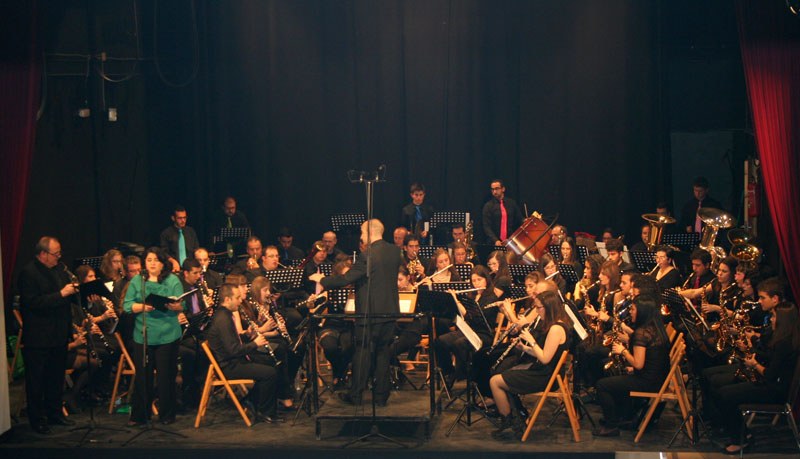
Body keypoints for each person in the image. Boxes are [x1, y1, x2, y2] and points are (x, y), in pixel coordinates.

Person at [309, 219, 403, 406]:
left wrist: (322, 280)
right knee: (383, 352)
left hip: (369, 313)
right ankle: (381, 396)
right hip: (390, 311)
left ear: (370, 232)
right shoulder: (395, 252)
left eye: (362, 232)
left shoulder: (366, 256)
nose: (360, 236)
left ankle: (356, 395)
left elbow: (346, 279)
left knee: (363, 353)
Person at [711, 304, 800, 454]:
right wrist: (752, 350)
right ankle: (742, 434)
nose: (771, 319)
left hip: (775, 391)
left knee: (725, 395)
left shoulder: (783, 343)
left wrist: (754, 364)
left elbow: (770, 375)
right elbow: (770, 359)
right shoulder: (784, 338)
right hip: (771, 386)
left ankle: (740, 440)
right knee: (723, 391)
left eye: (773, 316)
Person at [490, 289, 572, 440]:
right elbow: (544, 352)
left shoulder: (556, 329)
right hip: (544, 371)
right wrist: (525, 348)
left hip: (546, 376)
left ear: (548, 308)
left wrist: (531, 341)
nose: (537, 311)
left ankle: (509, 421)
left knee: (495, 381)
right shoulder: (554, 324)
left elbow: (545, 358)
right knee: (502, 375)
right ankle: (516, 419)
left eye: (539, 307)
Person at [17, 237, 78, 433]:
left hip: (58, 334)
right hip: (39, 336)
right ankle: (38, 419)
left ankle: (55, 414)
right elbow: (32, 303)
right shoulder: (29, 273)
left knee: (55, 377)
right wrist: (61, 294)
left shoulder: (59, 270)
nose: (59, 257)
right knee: (37, 381)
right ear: (43, 254)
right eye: (55, 254)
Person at [122, 247, 185, 426]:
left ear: (162, 263)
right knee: (143, 377)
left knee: (166, 377)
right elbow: (127, 306)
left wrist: (176, 306)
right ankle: (140, 415)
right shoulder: (138, 281)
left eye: (156, 260)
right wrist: (142, 306)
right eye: (149, 260)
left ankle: (167, 415)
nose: (152, 264)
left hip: (167, 334)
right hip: (144, 334)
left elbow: (183, 305)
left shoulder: (172, 280)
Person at [593, 294, 670, 436]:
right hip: (659, 378)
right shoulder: (656, 328)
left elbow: (638, 364)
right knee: (620, 375)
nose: (630, 312)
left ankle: (611, 425)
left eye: (633, 309)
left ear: (642, 311)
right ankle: (625, 416)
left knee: (602, 385)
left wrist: (623, 352)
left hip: (650, 382)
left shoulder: (642, 333)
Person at [206, 284, 282, 423]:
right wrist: (255, 344)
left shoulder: (226, 315)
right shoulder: (223, 319)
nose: (240, 301)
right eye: (237, 298)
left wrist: (248, 335)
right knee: (269, 373)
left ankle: (251, 400)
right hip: (229, 366)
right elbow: (233, 350)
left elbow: (234, 341)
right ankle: (264, 411)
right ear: (227, 299)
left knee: (272, 364)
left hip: (235, 360)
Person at [438, 266, 499, 388]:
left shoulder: (492, 297)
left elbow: (474, 316)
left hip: (484, 334)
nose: (476, 284)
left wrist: (456, 300)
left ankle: (468, 375)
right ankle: (450, 372)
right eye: (474, 281)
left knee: (459, 344)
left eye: (479, 280)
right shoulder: (472, 296)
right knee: (440, 341)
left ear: (486, 279)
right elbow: (463, 317)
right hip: (469, 331)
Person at [482, 179, 523, 246]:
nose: (494, 192)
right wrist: (495, 240)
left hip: (510, 241)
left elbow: (519, 220)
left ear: (503, 189)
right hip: (494, 242)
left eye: (497, 189)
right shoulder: (488, 206)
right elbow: (486, 226)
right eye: (492, 189)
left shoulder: (511, 203)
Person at [159, 205, 200, 272]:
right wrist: (172, 261)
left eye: (184, 218)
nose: (183, 220)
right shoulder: (166, 233)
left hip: (190, 269)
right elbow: (163, 252)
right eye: (180, 218)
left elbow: (196, 248)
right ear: (173, 218)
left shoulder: (190, 232)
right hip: (174, 268)